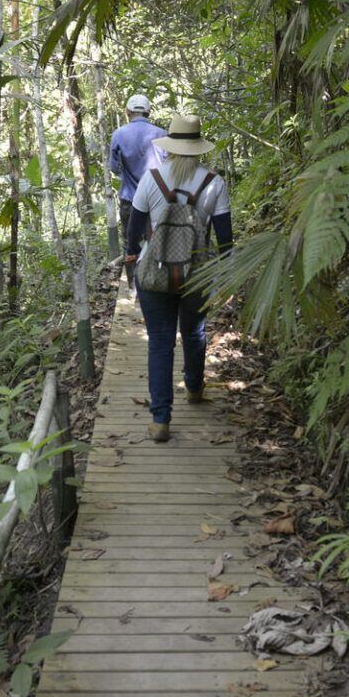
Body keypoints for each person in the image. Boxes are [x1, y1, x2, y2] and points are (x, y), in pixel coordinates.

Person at [125, 114, 233, 442]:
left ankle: (160, 421)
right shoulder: (214, 182)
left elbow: (132, 233)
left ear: (170, 146)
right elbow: (226, 241)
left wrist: (134, 256)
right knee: (193, 332)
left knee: (160, 341)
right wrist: (225, 274)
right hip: (197, 274)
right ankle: (195, 387)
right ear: (199, 146)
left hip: (155, 272)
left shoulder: (151, 178)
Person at [108, 95, 168, 284]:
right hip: (159, 199)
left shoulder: (119, 134)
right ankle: (159, 281)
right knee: (161, 239)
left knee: (130, 242)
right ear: (148, 112)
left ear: (128, 112)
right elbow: (169, 166)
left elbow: (114, 168)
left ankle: (135, 285)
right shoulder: (161, 134)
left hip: (130, 198)